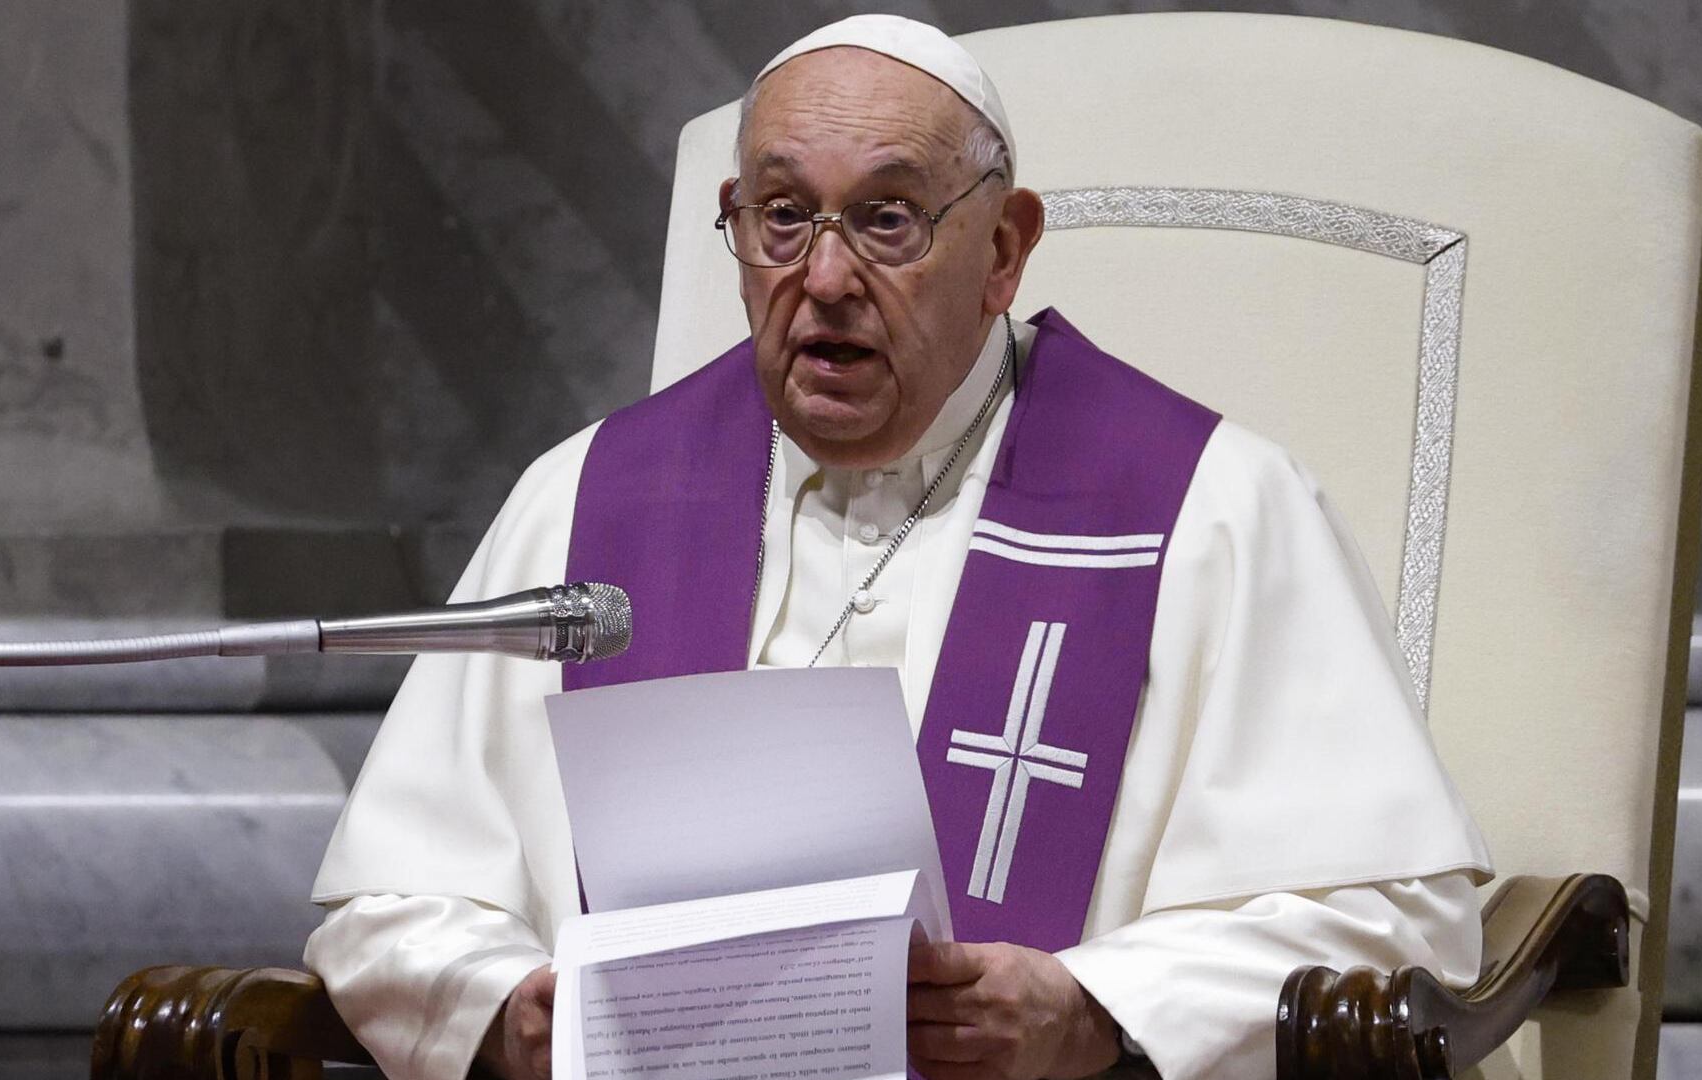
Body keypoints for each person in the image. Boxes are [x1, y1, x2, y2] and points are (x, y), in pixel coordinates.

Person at [306, 15, 1491, 1080]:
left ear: (1005, 250)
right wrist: (505, 1012)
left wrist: (1098, 1009)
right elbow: (390, 903)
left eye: (888, 218)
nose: (823, 280)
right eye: (781, 217)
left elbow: (1393, 919)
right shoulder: (588, 501)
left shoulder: (1211, 508)